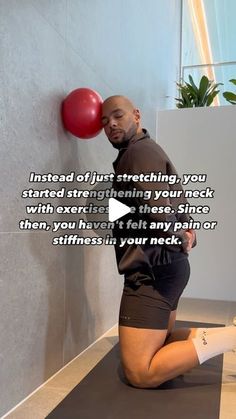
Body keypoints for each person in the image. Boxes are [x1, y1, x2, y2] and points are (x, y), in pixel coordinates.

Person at [101, 95, 236, 388]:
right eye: (104, 121)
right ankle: (231, 335)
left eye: (117, 116)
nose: (110, 124)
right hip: (166, 266)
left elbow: (156, 207)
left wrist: (179, 233)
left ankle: (234, 337)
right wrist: (186, 228)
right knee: (158, 341)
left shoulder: (137, 153)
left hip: (153, 271)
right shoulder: (145, 149)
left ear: (136, 115)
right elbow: (172, 195)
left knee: (141, 372)